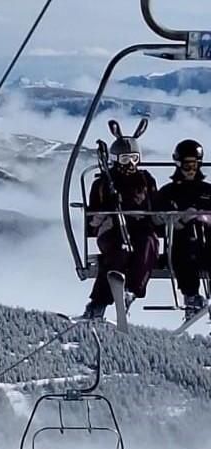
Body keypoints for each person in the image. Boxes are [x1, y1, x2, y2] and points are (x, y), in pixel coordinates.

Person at [82, 118, 161, 321]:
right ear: (116, 159)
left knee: (149, 244)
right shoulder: (103, 184)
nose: (131, 164)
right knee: (119, 253)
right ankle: (98, 303)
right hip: (112, 229)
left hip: (140, 227)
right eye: (125, 160)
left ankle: (132, 291)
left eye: (134, 158)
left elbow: (155, 205)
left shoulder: (145, 180)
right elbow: (92, 219)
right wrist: (106, 214)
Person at [157, 139, 211, 320]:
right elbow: (156, 219)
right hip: (181, 247)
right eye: (187, 165)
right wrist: (177, 219)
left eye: (194, 165)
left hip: (206, 246)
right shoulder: (169, 192)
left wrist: (203, 217)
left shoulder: (207, 191)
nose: (191, 170)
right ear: (178, 164)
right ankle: (191, 295)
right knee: (187, 240)